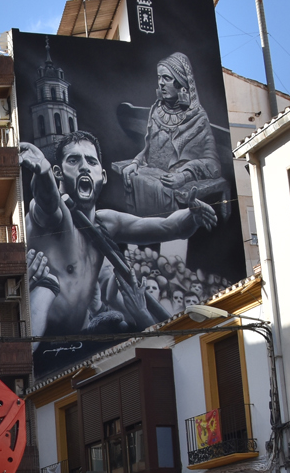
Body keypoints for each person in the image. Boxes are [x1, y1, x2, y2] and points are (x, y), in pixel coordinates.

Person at [20, 132, 218, 341]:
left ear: (103, 176)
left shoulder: (106, 223)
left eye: (91, 161)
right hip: (39, 346)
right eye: (74, 160)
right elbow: (47, 202)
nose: (84, 167)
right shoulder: (57, 217)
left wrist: (192, 216)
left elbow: (169, 227)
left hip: (78, 345)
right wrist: (43, 172)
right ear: (58, 172)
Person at [113, 53, 230, 218]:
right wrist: (135, 163)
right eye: (159, 77)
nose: (161, 83)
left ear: (182, 83)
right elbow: (148, 150)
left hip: (179, 192)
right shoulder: (156, 110)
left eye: (166, 78)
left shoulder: (198, 118)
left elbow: (213, 164)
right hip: (153, 180)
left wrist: (184, 176)